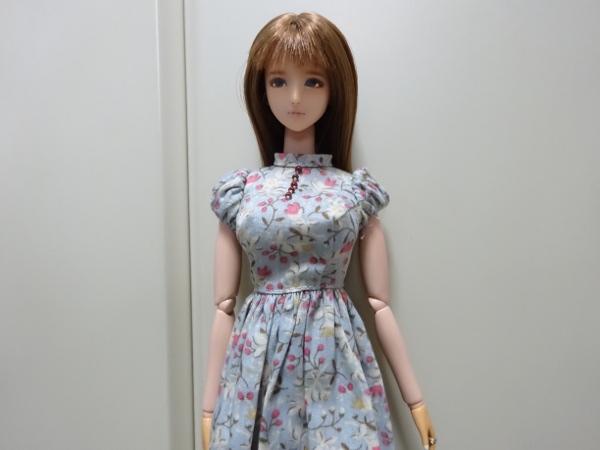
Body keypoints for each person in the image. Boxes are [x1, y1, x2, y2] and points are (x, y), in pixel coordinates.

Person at [201, 12, 437, 450]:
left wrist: (416, 401)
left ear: (334, 89)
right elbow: (223, 306)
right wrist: (210, 410)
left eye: (313, 81)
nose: (294, 97)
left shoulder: (354, 191)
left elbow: (380, 304)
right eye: (278, 81)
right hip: (256, 361)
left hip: (334, 355)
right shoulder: (242, 191)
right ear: (261, 89)